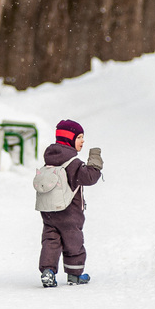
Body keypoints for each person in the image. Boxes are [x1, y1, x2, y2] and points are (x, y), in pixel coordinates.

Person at [38, 119, 103, 287]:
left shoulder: (49, 160)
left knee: (50, 241)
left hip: (49, 212)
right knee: (74, 242)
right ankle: (74, 275)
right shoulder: (73, 163)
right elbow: (90, 177)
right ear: (69, 139)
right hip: (69, 213)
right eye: (79, 137)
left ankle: (48, 272)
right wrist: (95, 159)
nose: (83, 141)